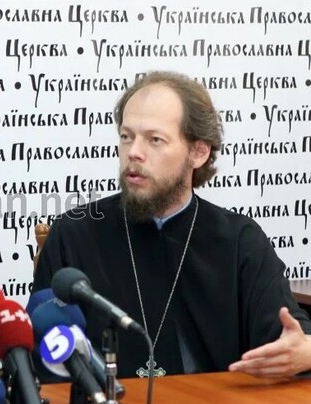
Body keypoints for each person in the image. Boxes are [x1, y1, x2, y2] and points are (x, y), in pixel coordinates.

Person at [33, 70, 311, 380]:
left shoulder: (239, 241)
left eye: (155, 140)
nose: (133, 152)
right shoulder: (74, 233)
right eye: (126, 137)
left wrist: (304, 350)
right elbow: (44, 363)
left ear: (198, 152)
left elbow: (290, 336)